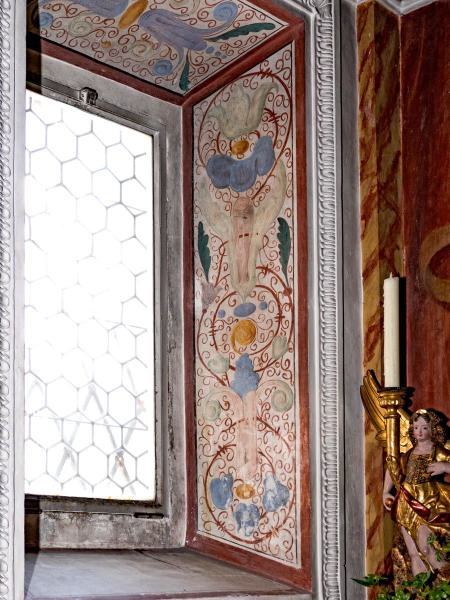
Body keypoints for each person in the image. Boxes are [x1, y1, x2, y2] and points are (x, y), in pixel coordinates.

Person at [383, 409, 450, 576]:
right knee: (414, 553)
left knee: (428, 548)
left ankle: (444, 581)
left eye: (424, 428)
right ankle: (420, 587)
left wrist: (444, 467)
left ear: (433, 429)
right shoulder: (408, 454)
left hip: (428, 502)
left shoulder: (437, 451)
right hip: (406, 503)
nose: (419, 431)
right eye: (416, 427)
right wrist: (385, 492)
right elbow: (393, 468)